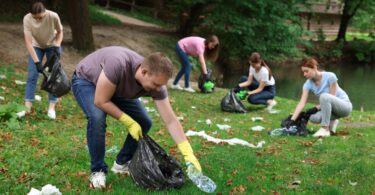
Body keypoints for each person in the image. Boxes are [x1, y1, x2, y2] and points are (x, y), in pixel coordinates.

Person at [71, 46, 202, 189]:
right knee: (97, 117)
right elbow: (101, 101)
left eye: (161, 85)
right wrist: (128, 122)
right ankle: (97, 171)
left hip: (116, 87)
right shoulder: (118, 64)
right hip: (87, 81)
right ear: (144, 72)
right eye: (156, 84)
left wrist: (188, 153)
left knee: (144, 121)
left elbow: (170, 121)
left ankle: (121, 164)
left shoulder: (156, 84)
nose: (158, 89)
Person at [289, 58, 352, 137]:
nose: (304, 74)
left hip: (344, 107)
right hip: (331, 109)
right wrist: (292, 120)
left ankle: (325, 128)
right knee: (313, 117)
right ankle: (332, 122)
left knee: (324, 96)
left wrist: (316, 108)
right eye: (303, 72)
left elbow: (332, 97)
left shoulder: (330, 76)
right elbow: (301, 103)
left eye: (306, 71)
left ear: (314, 68)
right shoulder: (307, 84)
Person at [23, 1, 63, 119]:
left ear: (45, 13)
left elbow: (60, 31)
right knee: (32, 76)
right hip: (36, 46)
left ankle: (51, 109)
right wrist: (37, 62)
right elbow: (28, 43)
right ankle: (27, 108)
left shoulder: (53, 16)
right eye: (36, 18)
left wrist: (57, 44)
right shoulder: (27, 19)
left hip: (52, 46)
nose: (38, 20)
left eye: (40, 18)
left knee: (53, 76)